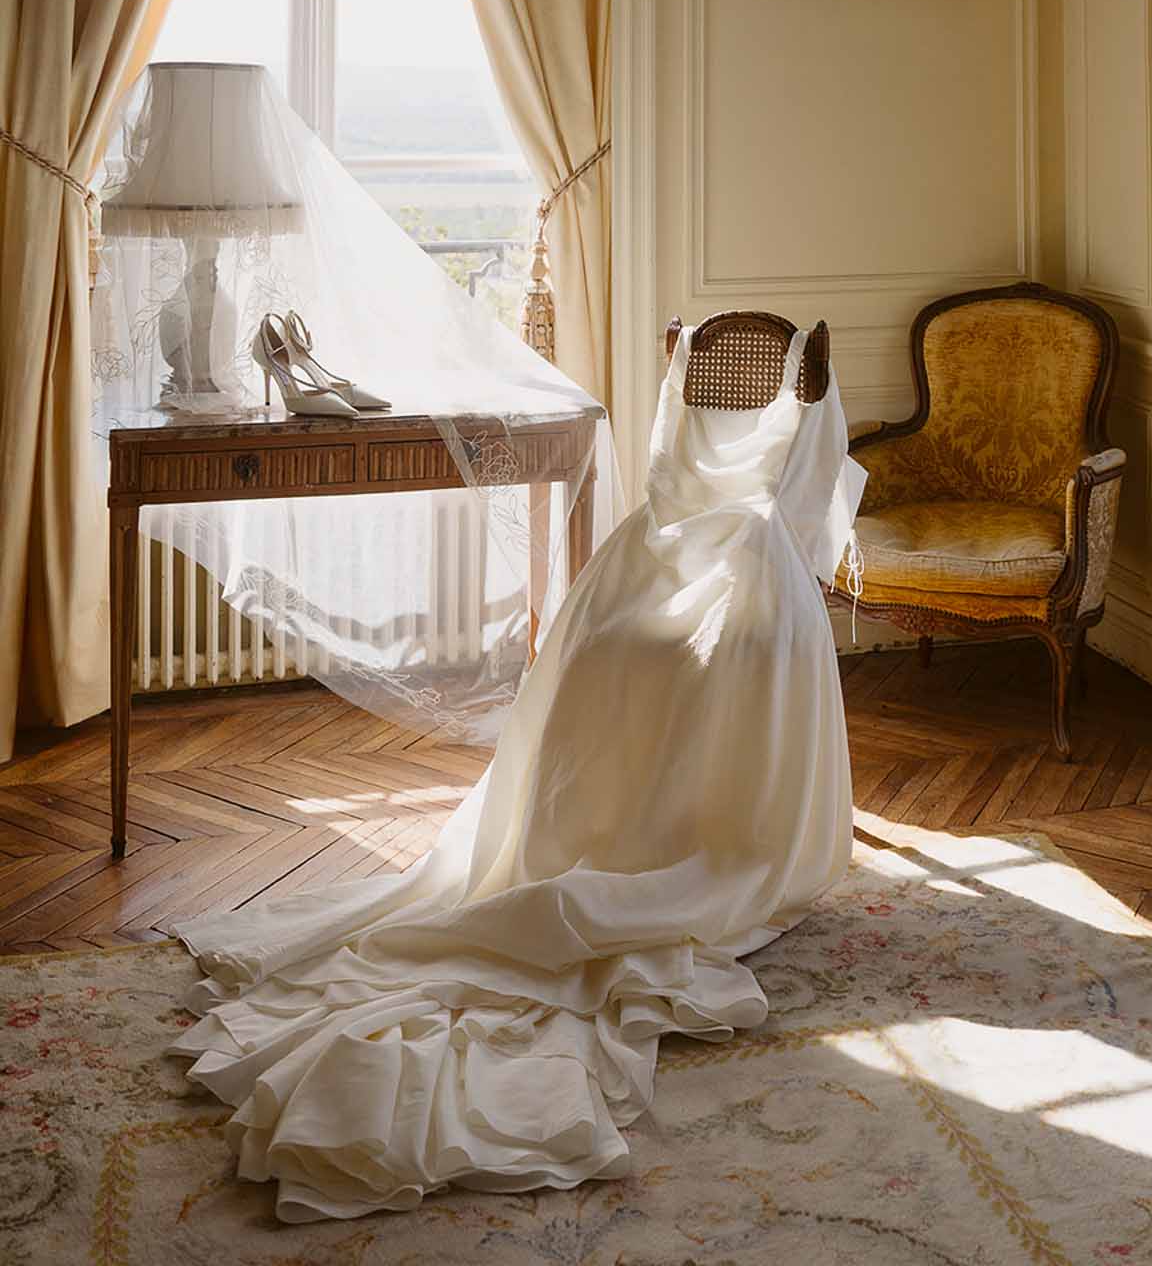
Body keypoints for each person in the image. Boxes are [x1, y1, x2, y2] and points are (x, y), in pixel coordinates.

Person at [172, 323, 865, 1223]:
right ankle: (671, 836)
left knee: (611, 655)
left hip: (665, 573)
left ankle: (632, 830)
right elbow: (814, 499)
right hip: (716, 570)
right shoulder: (793, 383)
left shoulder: (697, 356)